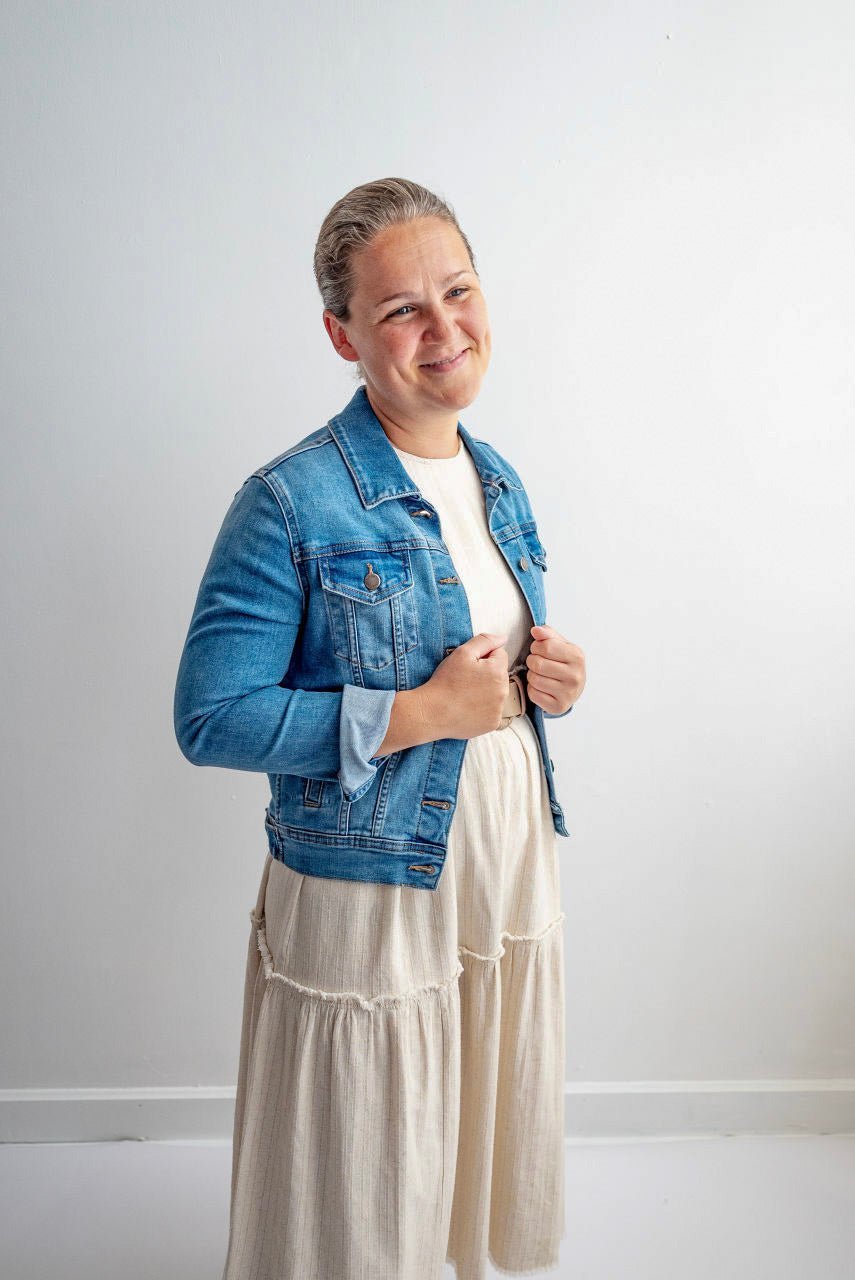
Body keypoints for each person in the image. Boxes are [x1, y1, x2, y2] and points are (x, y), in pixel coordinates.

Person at [173, 176, 586, 1280]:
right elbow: (211, 716)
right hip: (371, 877)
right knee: (363, 1147)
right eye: (402, 308)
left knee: (459, 1113)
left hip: (498, 851)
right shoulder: (289, 500)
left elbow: (489, 661)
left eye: (458, 290)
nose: (444, 328)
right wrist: (415, 714)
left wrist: (551, 677)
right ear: (342, 335)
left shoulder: (496, 478)